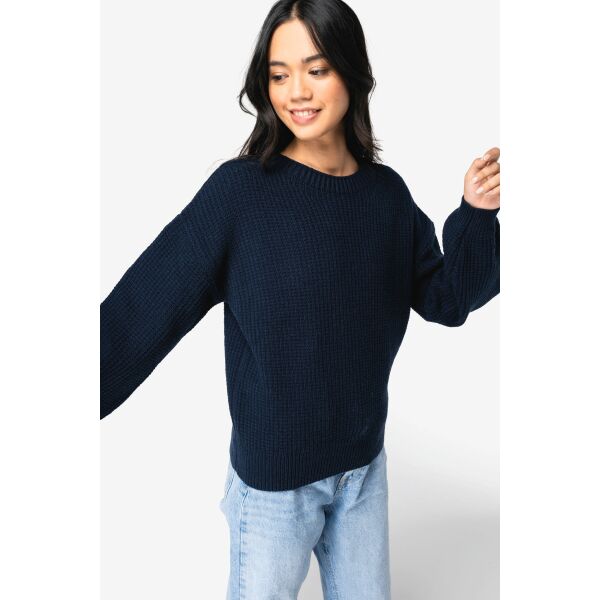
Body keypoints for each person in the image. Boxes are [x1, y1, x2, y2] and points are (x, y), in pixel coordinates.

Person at [100, 0, 500, 597]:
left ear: (351, 71)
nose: (297, 92)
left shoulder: (387, 197)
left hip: (362, 475)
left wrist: (477, 215)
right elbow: (143, 310)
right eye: (279, 74)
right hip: (272, 491)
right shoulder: (239, 194)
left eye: (316, 69)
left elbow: (449, 299)